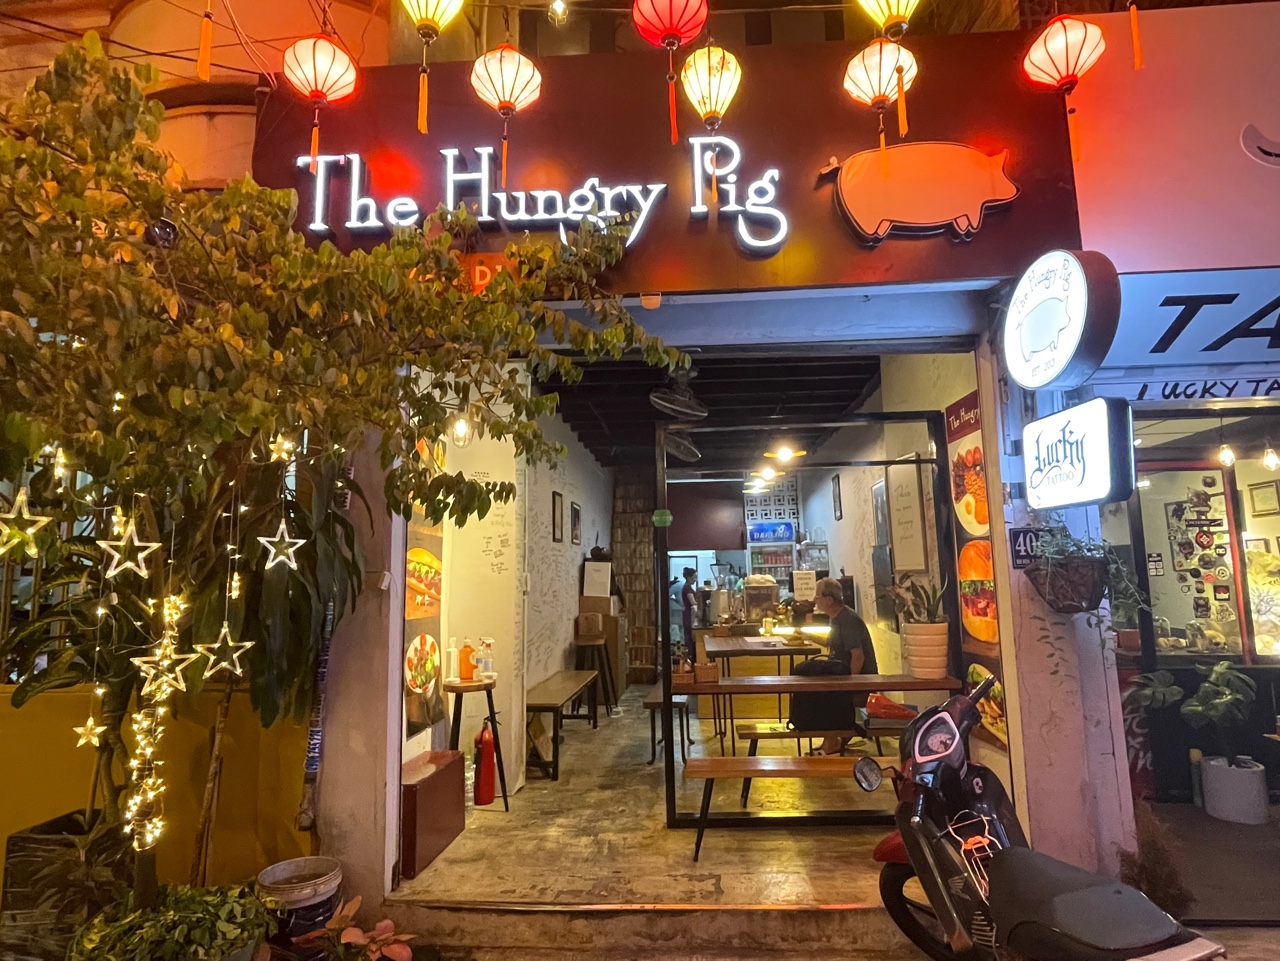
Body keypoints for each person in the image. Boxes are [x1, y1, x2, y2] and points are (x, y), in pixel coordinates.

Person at [811, 576, 877, 755]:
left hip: (861, 679)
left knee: (828, 696)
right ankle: (831, 740)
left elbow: (858, 656)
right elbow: (833, 643)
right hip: (843, 675)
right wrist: (805, 636)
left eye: (817, 596)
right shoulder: (835, 617)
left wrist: (849, 684)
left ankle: (832, 742)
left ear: (828, 600)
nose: (815, 600)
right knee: (817, 692)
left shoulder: (848, 619)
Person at [680, 568, 698, 643]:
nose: (695, 579)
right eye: (694, 577)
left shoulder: (688, 587)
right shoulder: (687, 588)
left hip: (688, 613)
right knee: (690, 635)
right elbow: (693, 602)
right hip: (689, 614)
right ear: (688, 577)